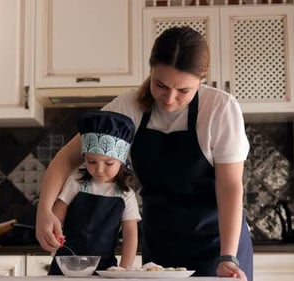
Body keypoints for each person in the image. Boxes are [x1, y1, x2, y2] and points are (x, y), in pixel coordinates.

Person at [36, 26, 253, 281]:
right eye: (160, 84)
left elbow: (229, 187)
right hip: (160, 246)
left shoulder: (220, 108)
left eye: (183, 91)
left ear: (201, 81)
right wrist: (45, 212)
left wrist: (228, 256)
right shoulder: (129, 107)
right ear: (150, 71)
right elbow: (67, 157)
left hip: (218, 246)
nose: (169, 99)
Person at [47, 110, 142, 275]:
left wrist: (124, 270)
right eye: (91, 161)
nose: (99, 169)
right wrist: (53, 232)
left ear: (121, 161)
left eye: (108, 163)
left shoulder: (126, 194)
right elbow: (58, 211)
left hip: (104, 268)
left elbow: (130, 234)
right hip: (67, 263)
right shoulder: (76, 181)